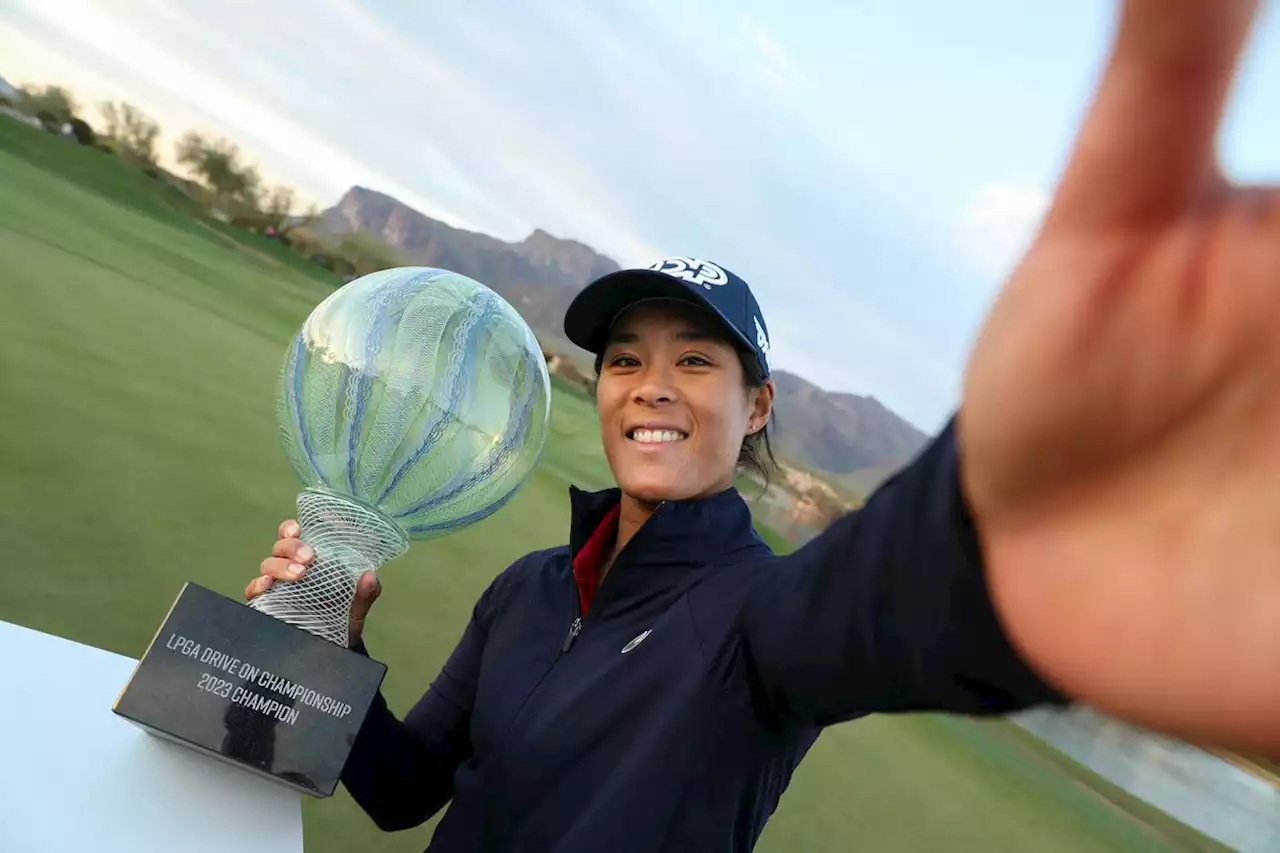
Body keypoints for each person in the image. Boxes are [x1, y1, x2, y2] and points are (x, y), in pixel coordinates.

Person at [247, 1, 1280, 849]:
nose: (650, 385)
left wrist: (1000, 523)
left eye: (695, 360)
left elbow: (880, 600)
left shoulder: (761, 619)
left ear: (757, 409)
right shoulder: (523, 593)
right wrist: (333, 646)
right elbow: (399, 790)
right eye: (625, 360)